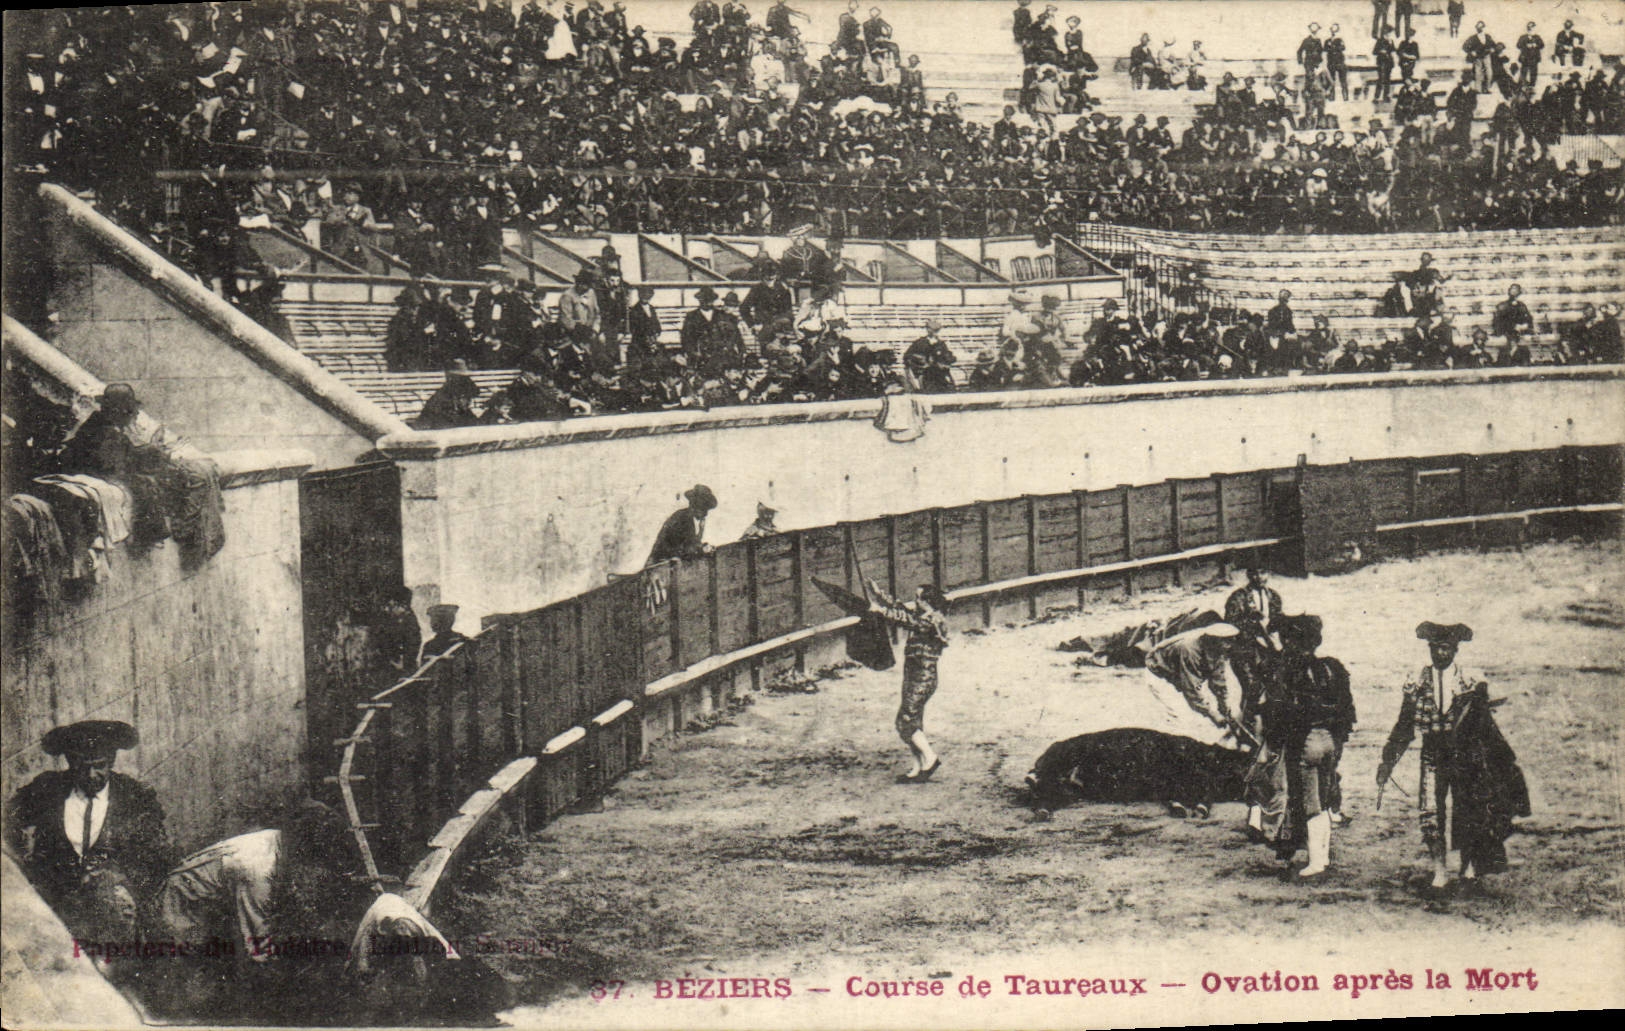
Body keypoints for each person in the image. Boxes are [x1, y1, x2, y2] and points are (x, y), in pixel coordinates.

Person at [154, 799, 362, 1022]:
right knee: (198, 979)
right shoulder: (257, 869)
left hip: (213, 896)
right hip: (183, 905)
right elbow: (256, 934)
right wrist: (276, 972)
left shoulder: (277, 839)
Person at [1377, 622, 1529, 892]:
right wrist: (1388, 759)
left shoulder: (1470, 682)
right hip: (1432, 753)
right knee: (1430, 812)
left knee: (1468, 809)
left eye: (1446, 649)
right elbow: (1404, 724)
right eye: (1436, 648)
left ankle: (1468, 865)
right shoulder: (1418, 679)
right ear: (1430, 649)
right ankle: (1439, 869)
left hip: (1464, 755)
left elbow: (1484, 726)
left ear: (1456, 651)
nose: (1441, 654)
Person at [5, 721, 172, 940]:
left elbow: (156, 857)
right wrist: (23, 864)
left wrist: (119, 879)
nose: (92, 775)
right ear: (70, 763)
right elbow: (8, 821)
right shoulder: (47, 789)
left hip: (113, 908)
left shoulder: (135, 797)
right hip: (58, 901)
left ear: (110, 762)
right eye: (83, 767)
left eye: (99, 765)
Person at [1267, 615, 1355, 878]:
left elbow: (1283, 714)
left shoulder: (1288, 670)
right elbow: (1347, 710)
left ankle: (1316, 861)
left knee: (1310, 803)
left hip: (1306, 742)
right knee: (1325, 798)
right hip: (1330, 740)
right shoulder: (1332, 667)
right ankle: (1323, 857)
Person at [865, 577, 950, 782]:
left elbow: (906, 620)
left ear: (927, 602)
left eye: (918, 598)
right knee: (913, 721)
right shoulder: (927, 615)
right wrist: (879, 594)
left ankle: (930, 757)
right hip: (914, 674)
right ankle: (918, 767)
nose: (915, 601)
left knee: (905, 721)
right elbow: (900, 609)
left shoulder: (933, 620)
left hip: (922, 676)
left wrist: (881, 611)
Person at [1143, 623, 1246, 750]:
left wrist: (1224, 706)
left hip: (1182, 673)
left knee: (1204, 712)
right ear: (1213, 639)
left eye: (1230, 641)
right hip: (1160, 675)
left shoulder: (1217, 649)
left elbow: (1218, 679)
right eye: (1225, 642)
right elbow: (1191, 688)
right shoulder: (1189, 650)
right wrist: (1212, 714)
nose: (1229, 645)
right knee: (1178, 718)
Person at [647, 484, 717, 566]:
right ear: (693, 504)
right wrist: (701, 549)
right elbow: (678, 548)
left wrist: (704, 546)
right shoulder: (680, 518)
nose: (706, 513)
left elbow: (691, 545)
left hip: (674, 565)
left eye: (707, 508)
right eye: (703, 507)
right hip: (660, 564)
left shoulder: (696, 522)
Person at [415, 361, 482, 430]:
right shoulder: (443, 393)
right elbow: (429, 414)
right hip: (444, 418)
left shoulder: (465, 384)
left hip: (460, 415)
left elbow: (475, 391)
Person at [904, 318, 958, 393]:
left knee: (948, 388)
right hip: (925, 373)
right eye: (933, 330)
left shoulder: (941, 344)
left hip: (940, 373)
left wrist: (945, 362)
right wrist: (920, 362)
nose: (935, 332)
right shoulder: (920, 343)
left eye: (936, 330)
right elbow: (907, 356)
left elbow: (947, 356)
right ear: (928, 330)